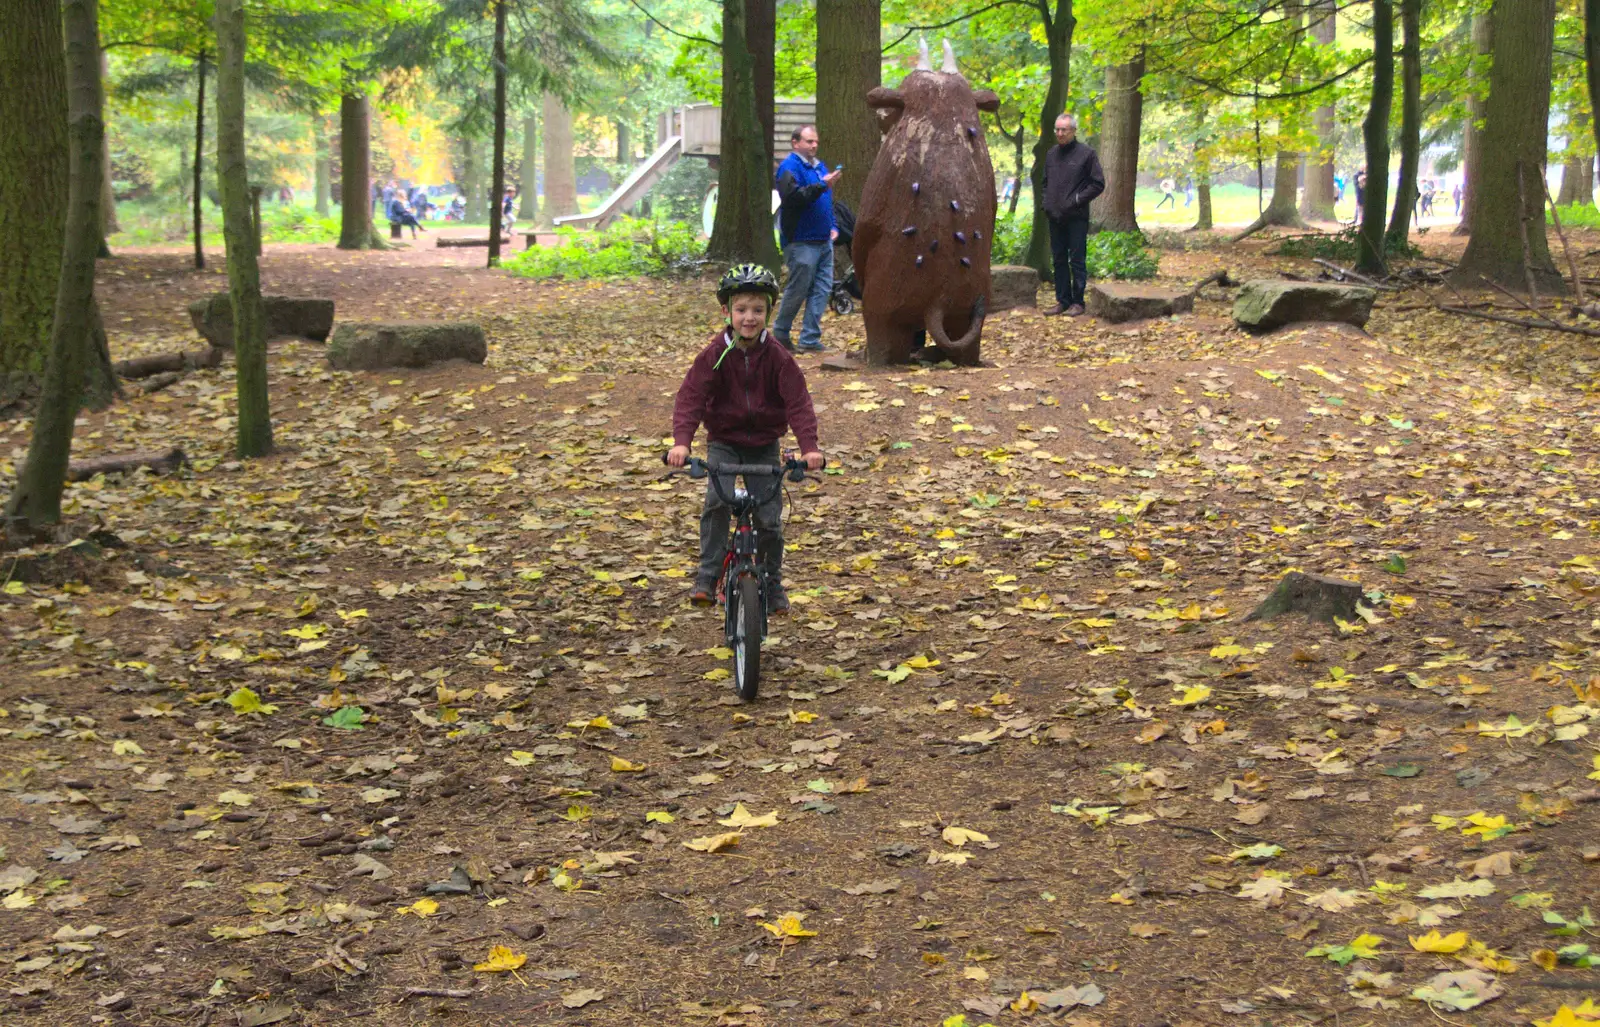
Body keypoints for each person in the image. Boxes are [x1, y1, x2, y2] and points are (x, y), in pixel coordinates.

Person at [668, 264, 824, 616]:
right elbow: (691, 398)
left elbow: (798, 403)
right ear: (726, 312)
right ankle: (707, 576)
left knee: (769, 517)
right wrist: (682, 442)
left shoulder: (779, 358)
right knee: (716, 503)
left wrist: (810, 448)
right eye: (741, 310)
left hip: (765, 444)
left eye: (757, 310)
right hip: (724, 441)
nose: (749, 318)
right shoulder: (714, 355)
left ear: (769, 312)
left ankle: (771, 579)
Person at [773, 124, 841, 354]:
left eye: (815, 142)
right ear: (795, 143)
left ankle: (810, 338)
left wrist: (832, 225)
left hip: (823, 239)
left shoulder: (820, 166)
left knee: (822, 289)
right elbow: (793, 198)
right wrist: (822, 185)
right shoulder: (788, 168)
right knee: (798, 288)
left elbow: (826, 200)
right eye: (809, 141)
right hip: (801, 240)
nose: (813, 145)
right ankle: (781, 334)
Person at [1040, 113, 1104, 317]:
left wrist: (1077, 200)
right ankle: (1062, 300)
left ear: (1073, 131)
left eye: (1063, 130)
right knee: (1058, 259)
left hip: (1076, 217)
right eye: (1057, 129)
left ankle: (1078, 302)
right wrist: (1046, 203)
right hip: (1055, 216)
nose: (1059, 133)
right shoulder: (1051, 155)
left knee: (1076, 259)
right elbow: (1045, 183)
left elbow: (1098, 184)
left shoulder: (1087, 154)